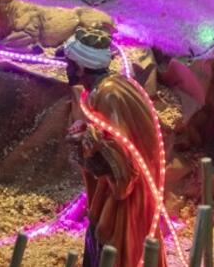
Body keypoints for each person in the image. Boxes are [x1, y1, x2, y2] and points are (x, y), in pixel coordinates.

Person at [65, 27, 168, 267]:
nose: (67, 69)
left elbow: (123, 162)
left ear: (81, 67)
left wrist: (87, 141)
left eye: (70, 64)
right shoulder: (107, 88)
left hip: (127, 197)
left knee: (119, 250)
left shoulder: (110, 94)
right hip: (120, 189)